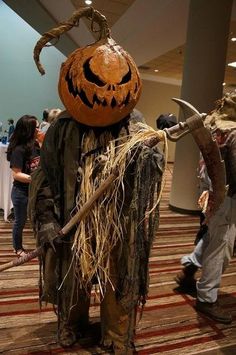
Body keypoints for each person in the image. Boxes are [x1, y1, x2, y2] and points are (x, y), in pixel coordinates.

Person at [28, 8, 165, 354]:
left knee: (120, 283)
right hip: (73, 221)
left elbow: (150, 175)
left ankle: (117, 337)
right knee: (72, 281)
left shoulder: (135, 128)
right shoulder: (63, 129)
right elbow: (44, 177)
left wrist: (148, 158)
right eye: (95, 78)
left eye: (119, 81)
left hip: (117, 223)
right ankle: (71, 324)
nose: (108, 90)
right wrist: (45, 220)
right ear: (71, 77)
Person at [175, 92, 236, 324]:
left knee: (212, 237)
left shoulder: (214, 127)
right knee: (221, 248)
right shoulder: (234, 133)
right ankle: (207, 298)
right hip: (227, 196)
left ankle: (189, 269)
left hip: (210, 192)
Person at [7, 115, 40, 257]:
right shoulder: (19, 149)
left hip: (35, 191)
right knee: (20, 222)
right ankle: (17, 247)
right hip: (21, 192)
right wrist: (36, 179)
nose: (38, 129)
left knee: (38, 219)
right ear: (28, 130)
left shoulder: (36, 145)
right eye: (36, 127)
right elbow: (16, 174)